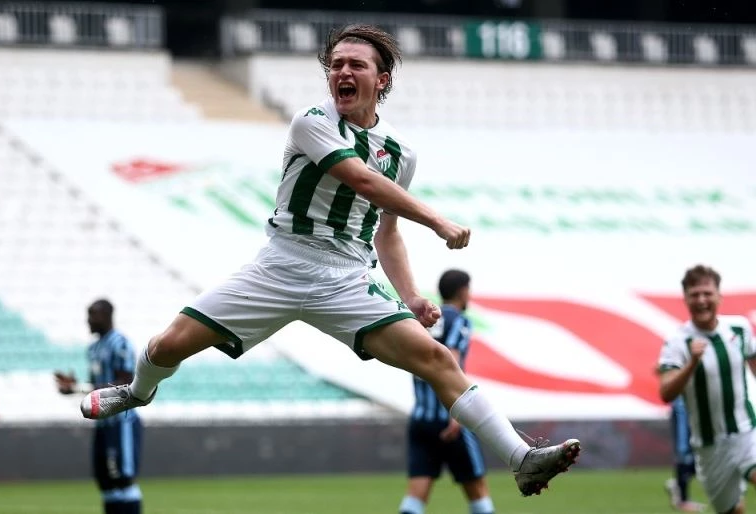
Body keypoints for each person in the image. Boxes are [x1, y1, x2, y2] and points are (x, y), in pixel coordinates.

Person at [80, 24, 580, 497]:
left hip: (347, 279)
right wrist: (438, 221)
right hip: (281, 265)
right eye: (336, 64)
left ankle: (520, 458)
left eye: (356, 65)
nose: (343, 72)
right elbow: (360, 179)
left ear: (381, 80)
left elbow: (386, 231)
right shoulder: (312, 121)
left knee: (437, 359)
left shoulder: (400, 154)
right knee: (168, 345)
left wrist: (409, 295)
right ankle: (138, 392)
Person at [658, 265, 756, 514]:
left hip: (746, 433)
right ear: (686, 299)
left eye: (707, 293)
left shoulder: (739, 328)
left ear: (719, 296)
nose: (701, 300)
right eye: (695, 295)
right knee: (734, 511)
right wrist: (691, 363)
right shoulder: (678, 342)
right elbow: (666, 392)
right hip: (710, 447)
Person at [399, 269, 495, 514]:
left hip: (421, 419)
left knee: (416, 492)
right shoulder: (459, 321)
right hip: (451, 417)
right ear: (463, 291)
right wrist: (457, 414)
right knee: (477, 489)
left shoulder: (424, 320)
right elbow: (448, 363)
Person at [55, 299, 143, 514]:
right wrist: (74, 387)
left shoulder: (120, 343)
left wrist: (79, 387)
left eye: (92, 315)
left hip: (121, 422)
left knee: (122, 478)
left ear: (107, 315)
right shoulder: (94, 348)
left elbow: (125, 383)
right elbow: (96, 386)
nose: (88, 320)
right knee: (105, 480)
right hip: (102, 423)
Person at [664, 397, 706, 512]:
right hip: (683, 404)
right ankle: (682, 499)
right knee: (684, 450)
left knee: (698, 454)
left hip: (693, 405)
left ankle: (678, 484)